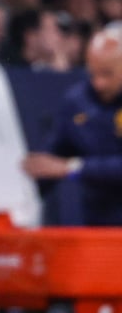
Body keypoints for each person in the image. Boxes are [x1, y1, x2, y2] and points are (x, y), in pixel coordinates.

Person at [22, 23, 122, 225]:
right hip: (99, 222)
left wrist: (73, 168)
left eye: (107, 74)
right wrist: (22, 200)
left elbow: (64, 166)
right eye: (93, 73)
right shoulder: (77, 101)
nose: (98, 83)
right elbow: (54, 157)